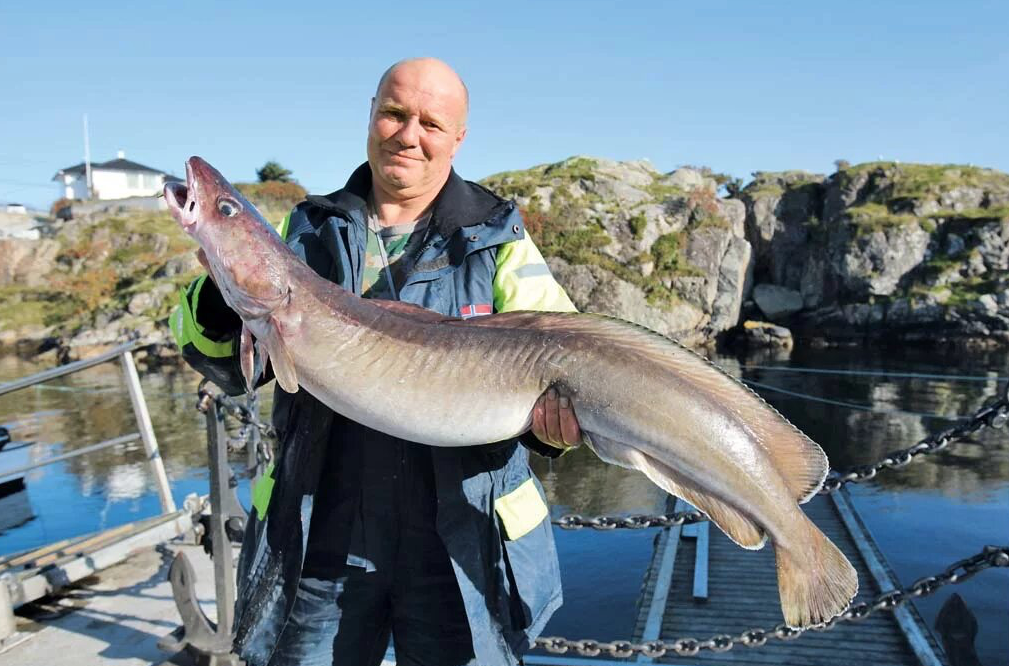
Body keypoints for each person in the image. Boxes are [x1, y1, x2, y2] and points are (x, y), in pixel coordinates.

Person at [171, 57, 583, 666]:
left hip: (459, 541)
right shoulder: (304, 231)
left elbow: (570, 364)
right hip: (320, 538)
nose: (408, 134)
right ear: (371, 114)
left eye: (430, 123)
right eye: (394, 112)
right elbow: (228, 368)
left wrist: (558, 432)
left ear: (457, 138)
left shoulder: (498, 240)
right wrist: (220, 291)